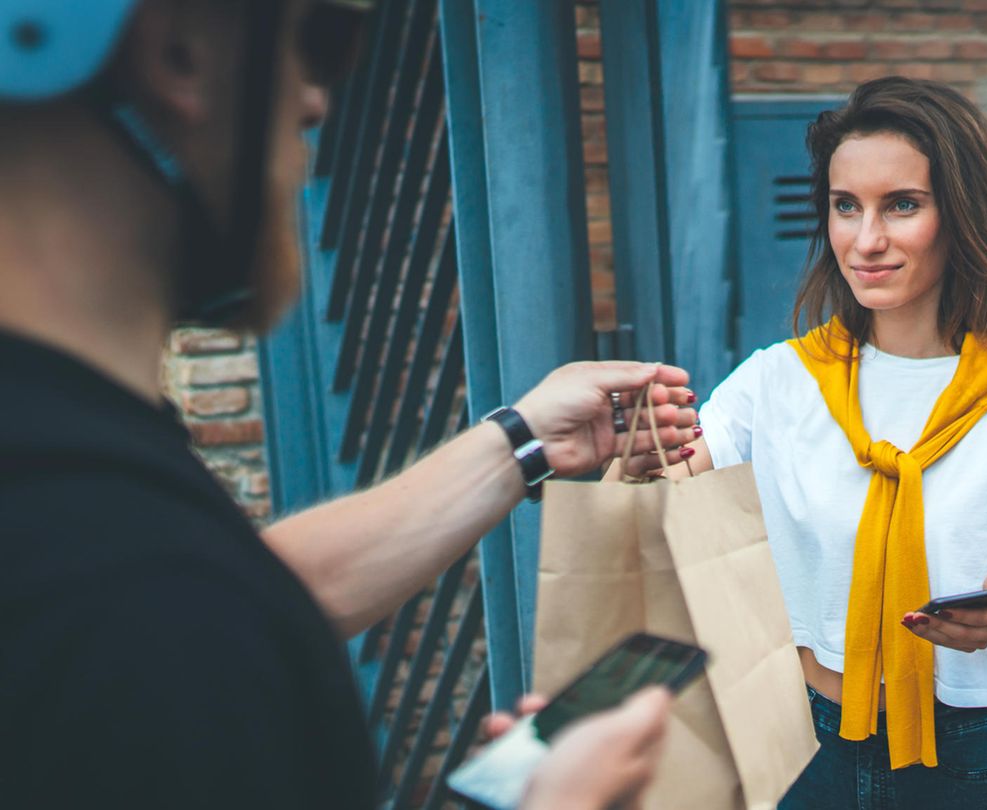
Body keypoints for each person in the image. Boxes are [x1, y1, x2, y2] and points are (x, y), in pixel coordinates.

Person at [0, 1, 697, 807]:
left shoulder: (78, 501)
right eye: (320, 40)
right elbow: (188, 606)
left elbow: (260, 588)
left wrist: (524, 440)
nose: (315, 101)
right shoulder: (123, 596)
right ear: (179, 52)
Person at [670, 77, 987, 807]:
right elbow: (667, 482)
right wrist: (620, 435)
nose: (866, 240)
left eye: (902, 205)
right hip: (800, 742)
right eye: (845, 205)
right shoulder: (783, 380)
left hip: (960, 758)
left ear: (960, 214)